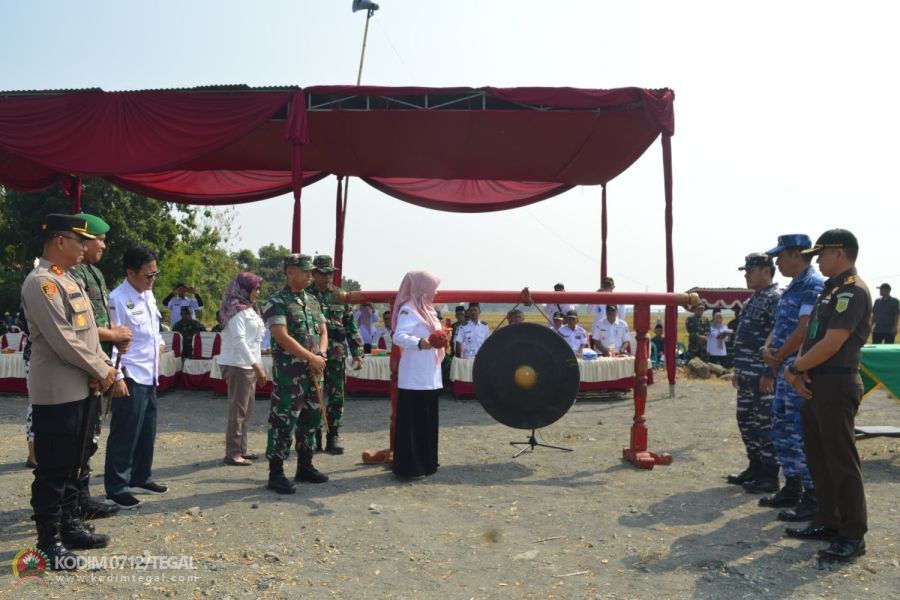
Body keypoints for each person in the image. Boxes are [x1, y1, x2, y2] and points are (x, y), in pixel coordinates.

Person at [21, 214, 118, 570]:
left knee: (75, 462)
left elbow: (87, 333)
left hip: (81, 385)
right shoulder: (42, 283)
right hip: (58, 390)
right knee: (54, 469)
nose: (85, 247)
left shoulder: (68, 279)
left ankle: (68, 526)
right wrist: (101, 370)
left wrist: (103, 366)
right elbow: (63, 339)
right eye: (80, 241)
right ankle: (48, 543)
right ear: (60, 241)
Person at [784, 229, 871, 563]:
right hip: (816, 381)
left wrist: (796, 367)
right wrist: (800, 370)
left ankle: (852, 535)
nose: (817, 260)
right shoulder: (829, 290)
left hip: (837, 383)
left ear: (840, 253)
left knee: (840, 461)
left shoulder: (853, 291)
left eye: (821, 254)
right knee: (818, 457)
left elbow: (834, 342)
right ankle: (829, 520)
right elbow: (812, 336)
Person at [68, 212, 132, 521]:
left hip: (99, 363)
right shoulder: (72, 274)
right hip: (82, 366)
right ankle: (71, 503)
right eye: (100, 240)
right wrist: (113, 335)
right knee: (76, 437)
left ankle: (81, 497)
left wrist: (115, 338)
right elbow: (79, 325)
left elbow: (101, 320)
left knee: (90, 435)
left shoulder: (95, 273)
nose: (103, 246)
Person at [758, 234, 825, 521]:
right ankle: (792, 487)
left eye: (780, 257)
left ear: (797, 254)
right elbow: (779, 326)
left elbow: (804, 329)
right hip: (783, 366)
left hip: (797, 368)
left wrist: (779, 356)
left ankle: (812, 495)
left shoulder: (812, 285)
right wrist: (768, 350)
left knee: (799, 432)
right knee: (782, 429)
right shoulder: (791, 288)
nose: (777, 263)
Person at [105, 245, 168, 509]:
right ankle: (117, 487)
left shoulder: (148, 295)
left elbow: (153, 329)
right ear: (130, 272)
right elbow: (111, 342)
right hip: (130, 373)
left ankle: (141, 477)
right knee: (125, 433)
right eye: (148, 274)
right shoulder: (117, 299)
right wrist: (116, 377)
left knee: (146, 430)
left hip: (149, 373)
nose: (152, 279)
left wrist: (160, 344)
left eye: (155, 273)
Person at [262, 254, 328, 494]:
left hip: (314, 372)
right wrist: (311, 358)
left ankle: (305, 466)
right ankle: (276, 473)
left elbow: (323, 330)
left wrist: (320, 354)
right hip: (290, 376)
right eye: (305, 270)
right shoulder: (276, 301)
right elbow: (281, 336)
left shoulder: (312, 300)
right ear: (289, 272)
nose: (310, 274)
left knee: (311, 420)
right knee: (283, 422)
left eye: (311, 271)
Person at [727, 253, 781, 493]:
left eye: (751, 271)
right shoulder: (752, 300)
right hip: (746, 374)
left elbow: (777, 337)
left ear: (766, 271)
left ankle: (770, 475)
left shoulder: (775, 298)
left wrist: (770, 371)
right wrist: (738, 370)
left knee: (765, 424)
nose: (746, 276)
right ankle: (755, 467)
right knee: (746, 421)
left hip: (762, 376)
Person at [306, 255, 364, 454]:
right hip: (313, 353)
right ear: (314, 273)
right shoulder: (306, 296)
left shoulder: (341, 296)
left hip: (336, 354)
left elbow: (351, 325)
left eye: (330, 273)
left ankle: (333, 435)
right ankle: (314, 436)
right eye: (323, 273)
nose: (327, 277)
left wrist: (357, 352)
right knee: (313, 394)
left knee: (337, 395)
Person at [391, 270, 444, 480]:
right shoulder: (409, 310)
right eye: (433, 288)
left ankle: (427, 462)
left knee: (426, 422)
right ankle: (410, 467)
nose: (436, 293)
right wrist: (420, 343)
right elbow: (398, 336)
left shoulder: (429, 311)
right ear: (422, 288)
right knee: (413, 424)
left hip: (429, 375)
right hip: (414, 377)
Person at [217, 272, 267, 466]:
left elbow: (255, 342)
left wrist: (257, 366)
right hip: (237, 364)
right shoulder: (235, 310)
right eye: (255, 289)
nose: (258, 292)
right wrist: (256, 366)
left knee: (246, 410)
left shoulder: (250, 309)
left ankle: (241, 449)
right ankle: (232, 453)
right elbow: (239, 340)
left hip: (248, 365)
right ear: (244, 289)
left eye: (259, 288)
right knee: (238, 411)